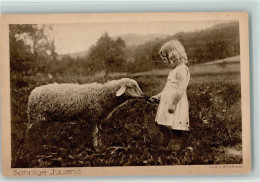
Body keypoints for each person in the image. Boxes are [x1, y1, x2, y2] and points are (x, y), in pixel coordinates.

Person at [149, 39, 190, 133]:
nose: (164, 62)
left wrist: (174, 104)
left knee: (176, 128)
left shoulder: (182, 70)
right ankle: (165, 146)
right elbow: (168, 89)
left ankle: (175, 146)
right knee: (164, 127)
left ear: (173, 57)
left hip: (176, 104)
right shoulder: (173, 70)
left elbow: (181, 89)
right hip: (167, 103)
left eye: (165, 59)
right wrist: (158, 96)